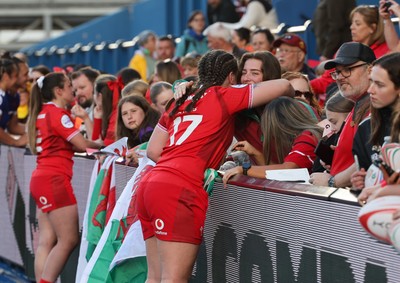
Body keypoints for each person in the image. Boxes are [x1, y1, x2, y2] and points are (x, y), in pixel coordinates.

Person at [135, 50, 294, 282]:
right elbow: (283, 85)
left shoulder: (178, 99)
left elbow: (153, 150)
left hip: (151, 184)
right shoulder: (223, 94)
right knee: (173, 279)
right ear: (231, 77)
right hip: (179, 189)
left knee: (154, 277)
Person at [27, 73, 101, 283]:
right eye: (70, 86)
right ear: (59, 91)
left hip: (42, 178)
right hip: (54, 180)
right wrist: (105, 144)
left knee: (47, 240)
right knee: (68, 239)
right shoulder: (58, 114)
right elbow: (81, 144)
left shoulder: (43, 112)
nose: (74, 91)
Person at [309, 42, 375, 188]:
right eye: (337, 72)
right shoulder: (358, 102)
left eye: (347, 69)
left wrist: (333, 181)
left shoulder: (375, 106)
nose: (339, 77)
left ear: (370, 70)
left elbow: (372, 158)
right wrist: (340, 156)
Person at [222, 97, 322, 181]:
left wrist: (244, 169)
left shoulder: (309, 136)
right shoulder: (306, 136)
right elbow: (274, 173)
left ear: (282, 124)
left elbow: (287, 171)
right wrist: (255, 153)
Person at [311, 4, 389, 98]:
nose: (352, 27)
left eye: (358, 23)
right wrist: (301, 86)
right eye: (352, 23)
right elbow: (325, 81)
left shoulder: (387, 52)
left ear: (372, 28)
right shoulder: (344, 49)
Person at [351, 52, 400, 190]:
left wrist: (379, 190)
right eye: (371, 81)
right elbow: (365, 182)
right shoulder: (366, 128)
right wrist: (360, 184)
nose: (370, 90)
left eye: (379, 84)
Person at [235, 51, 282, 153]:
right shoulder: (238, 113)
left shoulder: (285, 110)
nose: (246, 78)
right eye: (244, 73)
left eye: (254, 73)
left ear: (270, 77)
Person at [0, 58, 27, 147]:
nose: (28, 78)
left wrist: (32, 131)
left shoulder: (15, 96)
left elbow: (13, 126)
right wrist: (15, 142)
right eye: (25, 74)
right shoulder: (1, 96)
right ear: (6, 76)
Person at [70, 67, 101, 139]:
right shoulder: (80, 112)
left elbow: (96, 142)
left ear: (95, 86)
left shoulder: (105, 110)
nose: (78, 93)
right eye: (75, 90)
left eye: (82, 87)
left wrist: (85, 118)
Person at [91, 74, 122, 145]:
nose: (93, 96)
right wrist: (98, 118)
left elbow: (96, 146)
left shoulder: (115, 114)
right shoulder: (112, 112)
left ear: (100, 96)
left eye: (94, 93)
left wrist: (97, 120)